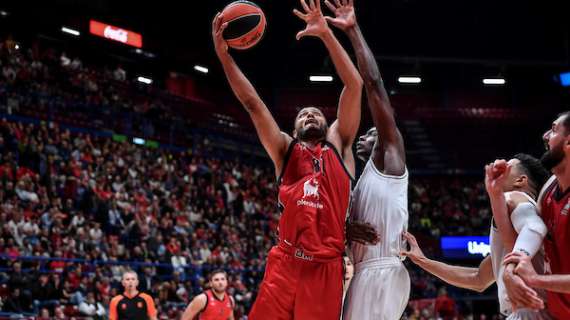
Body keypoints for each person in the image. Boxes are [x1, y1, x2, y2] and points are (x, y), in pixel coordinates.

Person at [212, 0, 364, 318]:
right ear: (294, 130)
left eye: (315, 112)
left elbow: (355, 84)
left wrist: (325, 33)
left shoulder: (341, 145)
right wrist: (224, 57)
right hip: (285, 263)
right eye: (302, 114)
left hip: (326, 269)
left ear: (326, 124)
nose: (309, 114)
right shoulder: (285, 150)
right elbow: (253, 103)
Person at [323, 0, 409, 318]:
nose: (363, 136)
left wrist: (353, 30)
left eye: (370, 132)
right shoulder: (361, 182)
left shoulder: (391, 158)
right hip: (363, 272)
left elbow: (373, 85)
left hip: (382, 270)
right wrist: (347, 229)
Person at [402, 154, 551, 319]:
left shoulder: (515, 197)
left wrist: (513, 265)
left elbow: (534, 227)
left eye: (508, 167)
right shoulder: (517, 222)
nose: (498, 167)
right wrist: (423, 261)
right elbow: (478, 279)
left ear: (520, 181)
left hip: (530, 311)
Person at [502, 111, 570, 319]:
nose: (545, 135)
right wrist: (509, 271)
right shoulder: (548, 191)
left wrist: (535, 279)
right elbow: (519, 241)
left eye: (554, 130)